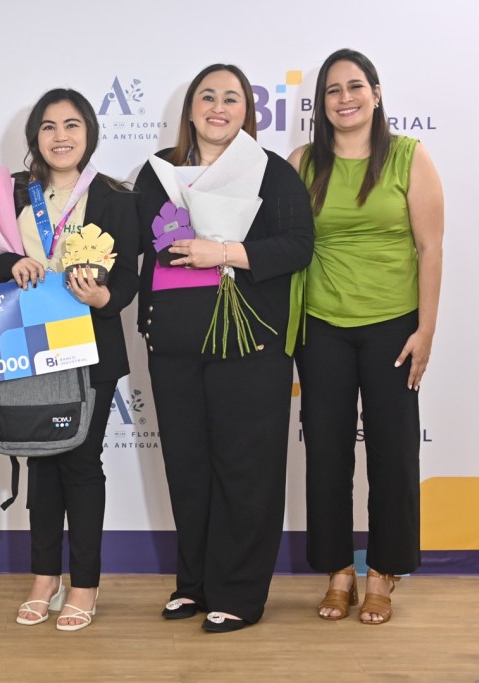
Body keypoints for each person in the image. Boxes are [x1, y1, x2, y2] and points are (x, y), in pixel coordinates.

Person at [135, 65, 314, 632]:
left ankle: (238, 593)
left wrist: (227, 251)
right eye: (207, 97)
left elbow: (299, 245)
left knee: (245, 467)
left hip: (250, 343)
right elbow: (137, 243)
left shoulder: (271, 172)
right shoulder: (157, 170)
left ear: (247, 111)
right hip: (174, 343)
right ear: (189, 109)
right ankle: (195, 584)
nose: (218, 107)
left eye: (231, 98)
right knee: (188, 468)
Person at [0, 88, 139, 632]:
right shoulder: (13, 192)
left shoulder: (115, 196)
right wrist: (14, 262)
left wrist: (103, 298)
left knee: (81, 466)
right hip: (25, 344)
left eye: (72, 125)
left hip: (90, 349)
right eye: (49, 126)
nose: (60, 136)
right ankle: (44, 578)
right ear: (34, 138)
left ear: (89, 133)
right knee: (40, 464)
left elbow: (131, 279)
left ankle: (84, 585)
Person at [288, 48, 443, 625]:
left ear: (376, 93)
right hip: (321, 326)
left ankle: (384, 573)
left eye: (355, 86)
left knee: (394, 453)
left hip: (393, 327)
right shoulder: (303, 161)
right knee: (325, 454)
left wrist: (425, 330)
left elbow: (430, 247)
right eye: (333, 89)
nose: (345, 97)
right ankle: (338, 573)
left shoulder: (408, 156)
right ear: (321, 103)